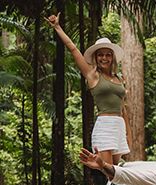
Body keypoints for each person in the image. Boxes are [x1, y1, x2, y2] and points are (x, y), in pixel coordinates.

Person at [46, 13, 130, 166]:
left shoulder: (119, 78)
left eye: (108, 55)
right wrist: (57, 27)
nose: (104, 58)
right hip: (105, 125)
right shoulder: (92, 74)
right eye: (100, 55)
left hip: (119, 126)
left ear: (112, 58)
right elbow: (73, 49)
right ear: (96, 57)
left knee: (116, 176)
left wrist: (127, 134)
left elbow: (123, 109)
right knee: (104, 174)